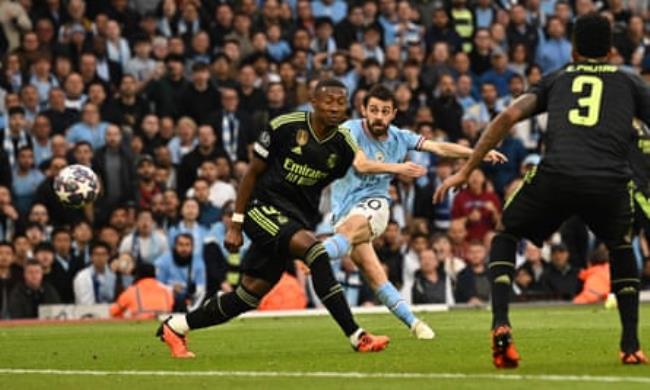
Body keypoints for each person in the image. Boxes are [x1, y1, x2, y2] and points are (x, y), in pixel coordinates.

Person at [434, 14, 649, 366]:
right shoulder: (631, 83)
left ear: (574, 49)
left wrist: (466, 169)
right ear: (611, 51)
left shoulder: (557, 79)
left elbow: (505, 118)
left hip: (558, 174)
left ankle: (501, 323)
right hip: (609, 181)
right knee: (621, 245)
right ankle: (630, 345)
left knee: (506, 233)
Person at [157, 79, 405, 358]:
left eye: (340, 102)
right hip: (260, 207)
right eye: (329, 101)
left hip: (294, 219)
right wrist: (236, 224)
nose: (336, 108)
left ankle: (176, 326)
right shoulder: (285, 126)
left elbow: (356, 176)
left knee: (247, 296)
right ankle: (357, 336)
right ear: (313, 102)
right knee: (316, 252)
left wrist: (391, 175)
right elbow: (250, 173)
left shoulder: (344, 145)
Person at [324, 85, 505, 339]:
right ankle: (416, 324)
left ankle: (318, 255)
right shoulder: (349, 130)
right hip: (342, 209)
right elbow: (361, 164)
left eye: (385, 111)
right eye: (373, 110)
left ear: (393, 113)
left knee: (350, 229)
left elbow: (440, 148)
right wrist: (398, 168)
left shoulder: (401, 137)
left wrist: (479, 153)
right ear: (364, 110)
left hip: (374, 204)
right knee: (375, 276)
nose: (378, 116)